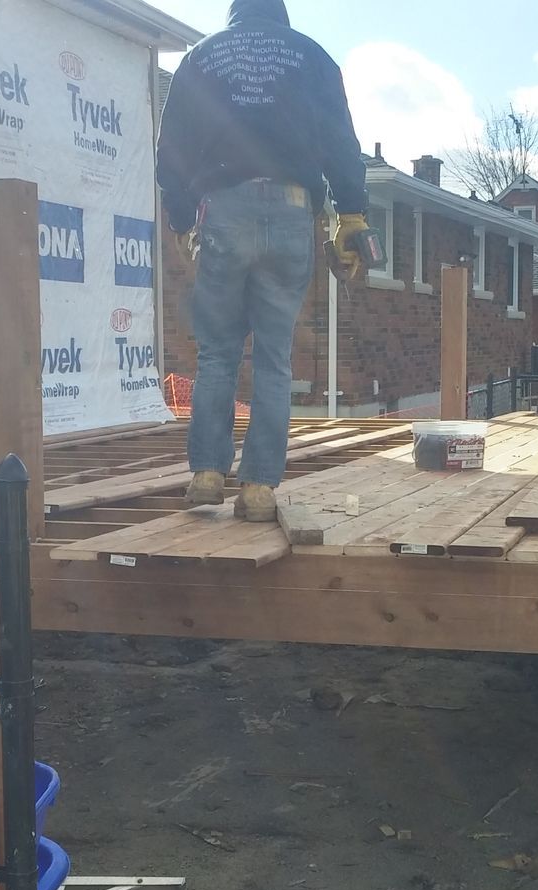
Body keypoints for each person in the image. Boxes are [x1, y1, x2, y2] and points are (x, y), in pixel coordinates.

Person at [156, 0, 369, 522]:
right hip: (294, 212)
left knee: (218, 354)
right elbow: (342, 144)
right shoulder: (312, 57)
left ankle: (207, 473)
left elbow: (172, 151)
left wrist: (183, 217)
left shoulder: (202, 59)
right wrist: (353, 214)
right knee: (274, 359)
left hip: (225, 210)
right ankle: (258, 489)